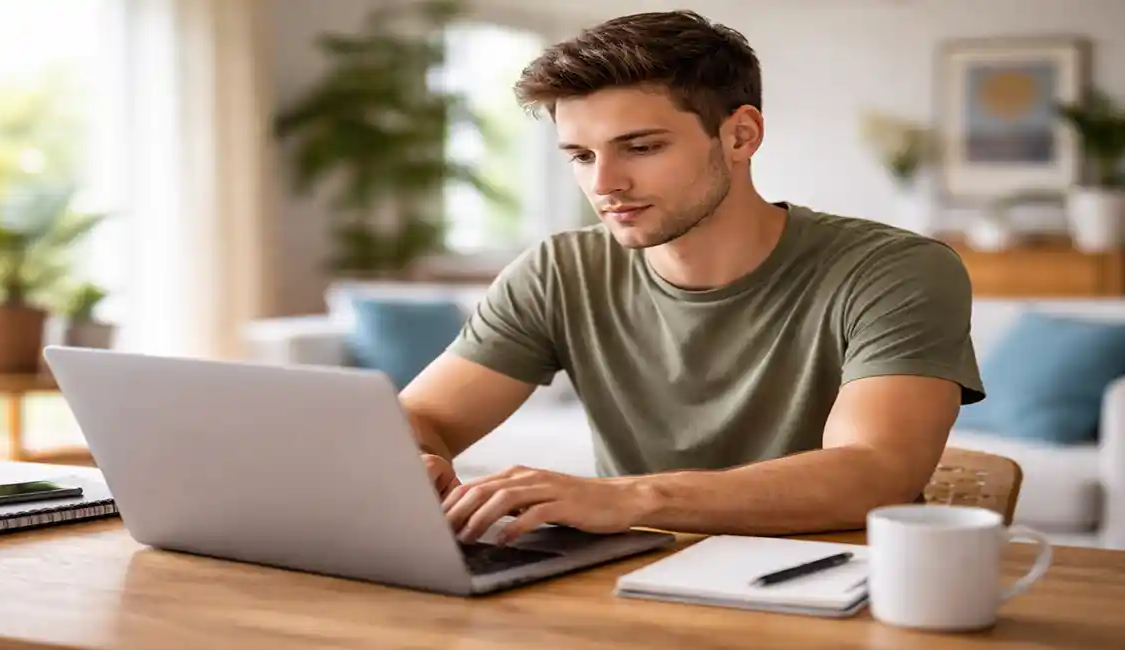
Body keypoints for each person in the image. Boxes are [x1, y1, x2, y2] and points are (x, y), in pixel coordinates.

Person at [398, 10, 985, 546]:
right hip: (627, 579)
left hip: (828, 578)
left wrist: (627, 496)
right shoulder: (559, 271)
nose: (604, 184)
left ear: (740, 136)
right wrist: (413, 457)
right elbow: (422, 418)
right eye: (580, 155)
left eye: (642, 147)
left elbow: (874, 472)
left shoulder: (895, 270)